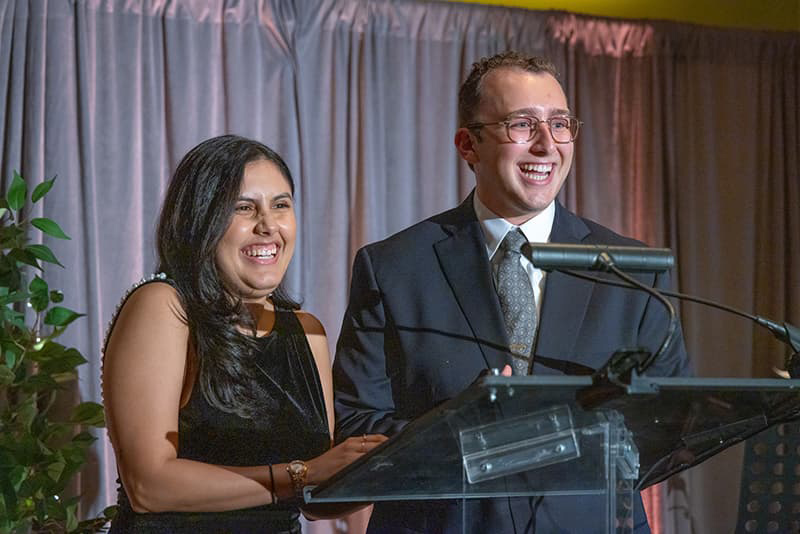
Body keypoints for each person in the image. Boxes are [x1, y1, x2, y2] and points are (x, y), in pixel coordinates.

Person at [332, 52, 691, 533]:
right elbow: (358, 427)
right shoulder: (393, 267)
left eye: (560, 124)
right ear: (468, 145)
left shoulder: (629, 270)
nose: (547, 145)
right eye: (522, 124)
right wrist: (470, 437)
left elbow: (672, 423)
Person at [102, 135, 386, 533]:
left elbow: (315, 499)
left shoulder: (307, 331)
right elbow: (149, 486)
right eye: (243, 208)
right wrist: (302, 474)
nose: (268, 225)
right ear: (200, 220)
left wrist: (392, 464)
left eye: (281, 205)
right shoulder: (163, 306)